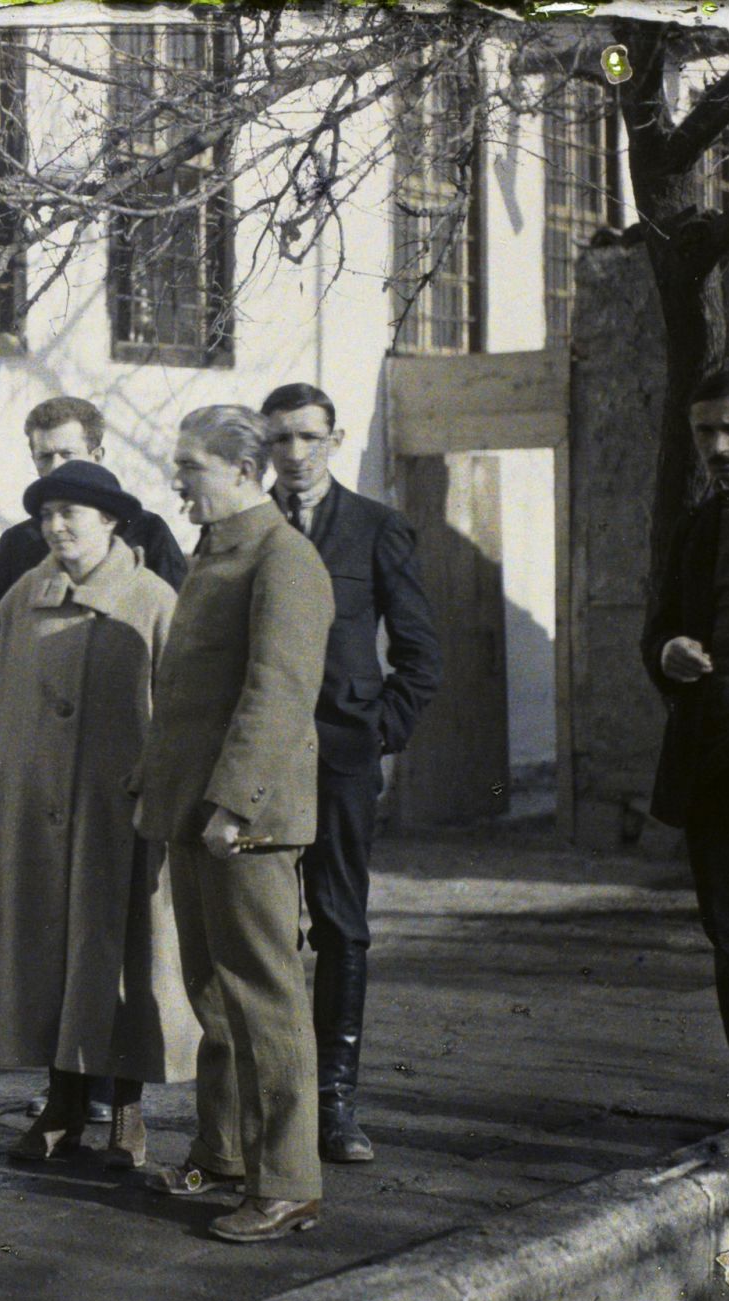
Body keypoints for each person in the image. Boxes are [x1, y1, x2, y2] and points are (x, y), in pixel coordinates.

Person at [135, 406, 332, 1243]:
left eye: (192, 466)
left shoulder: (283, 557)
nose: (179, 479)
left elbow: (279, 693)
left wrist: (233, 804)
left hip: (242, 819)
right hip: (196, 811)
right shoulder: (217, 551)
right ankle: (221, 1153)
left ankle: (288, 1182)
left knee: (266, 999)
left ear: (245, 472)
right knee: (211, 994)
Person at [0, 460, 188, 1171]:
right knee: (48, 959)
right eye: (48, 514)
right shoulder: (23, 597)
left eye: (72, 514)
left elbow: (179, 709)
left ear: (112, 521)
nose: (57, 527)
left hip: (116, 815)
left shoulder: (152, 599)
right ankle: (60, 1103)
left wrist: (158, 791)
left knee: (120, 958)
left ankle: (125, 1111)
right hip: (29, 813)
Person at [259, 383, 442, 1163]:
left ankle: (336, 1104)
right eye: (280, 440)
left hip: (340, 762)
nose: (295, 455)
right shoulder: (245, 528)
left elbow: (421, 656)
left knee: (339, 924)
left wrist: (376, 735)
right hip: (259, 763)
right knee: (261, 931)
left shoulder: (375, 528)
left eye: (309, 437)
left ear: (335, 439)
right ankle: (272, 1100)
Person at [641, 364, 729, 1125]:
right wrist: (668, 653)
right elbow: (656, 626)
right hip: (716, 760)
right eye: (705, 432)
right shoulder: (698, 526)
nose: (719, 446)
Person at [0, 395, 188, 622]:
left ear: (96, 457)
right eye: (45, 457)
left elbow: (177, 623)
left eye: (67, 454)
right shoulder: (18, 542)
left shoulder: (147, 531)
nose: (56, 467)